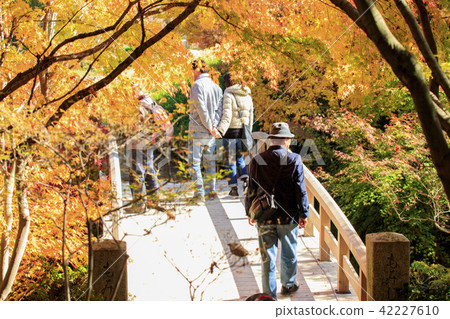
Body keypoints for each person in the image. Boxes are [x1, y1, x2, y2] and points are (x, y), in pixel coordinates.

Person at [245, 122, 309, 299]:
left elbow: (251, 187)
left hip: (265, 215)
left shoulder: (258, 159)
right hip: (288, 216)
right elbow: (300, 189)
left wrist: (249, 211)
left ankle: (268, 294)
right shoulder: (294, 159)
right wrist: (304, 213)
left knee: (267, 257)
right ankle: (288, 285)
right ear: (287, 140)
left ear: (271, 139)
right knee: (289, 253)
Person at [127, 87, 173, 209]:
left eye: (132, 90)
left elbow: (135, 127)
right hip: (151, 142)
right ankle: (153, 201)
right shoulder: (152, 102)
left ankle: (139, 204)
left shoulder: (140, 106)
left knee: (137, 172)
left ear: (136, 91)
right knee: (149, 169)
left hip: (139, 143)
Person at [188, 59, 223, 200]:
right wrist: (214, 127)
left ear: (197, 69)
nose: (191, 73)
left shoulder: (197, 86)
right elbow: (220, 110)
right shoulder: (217, 87)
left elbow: (201, 110)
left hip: (199, 129)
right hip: (211, 131)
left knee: (194, 162)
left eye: (192, 70)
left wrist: (209, 126)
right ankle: (210, 192)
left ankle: (199, 193)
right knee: (209, 162)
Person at [216, 73, 253, 197]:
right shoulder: (248, 95)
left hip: (230, 132)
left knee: (230, 161)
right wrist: (249, 132)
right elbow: (251, 117)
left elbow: (227, 116)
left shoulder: (228, 94)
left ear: (227, 82)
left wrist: (220, 130)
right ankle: (246, 179)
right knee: (240, 159)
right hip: (243, 133)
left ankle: (234, 190)